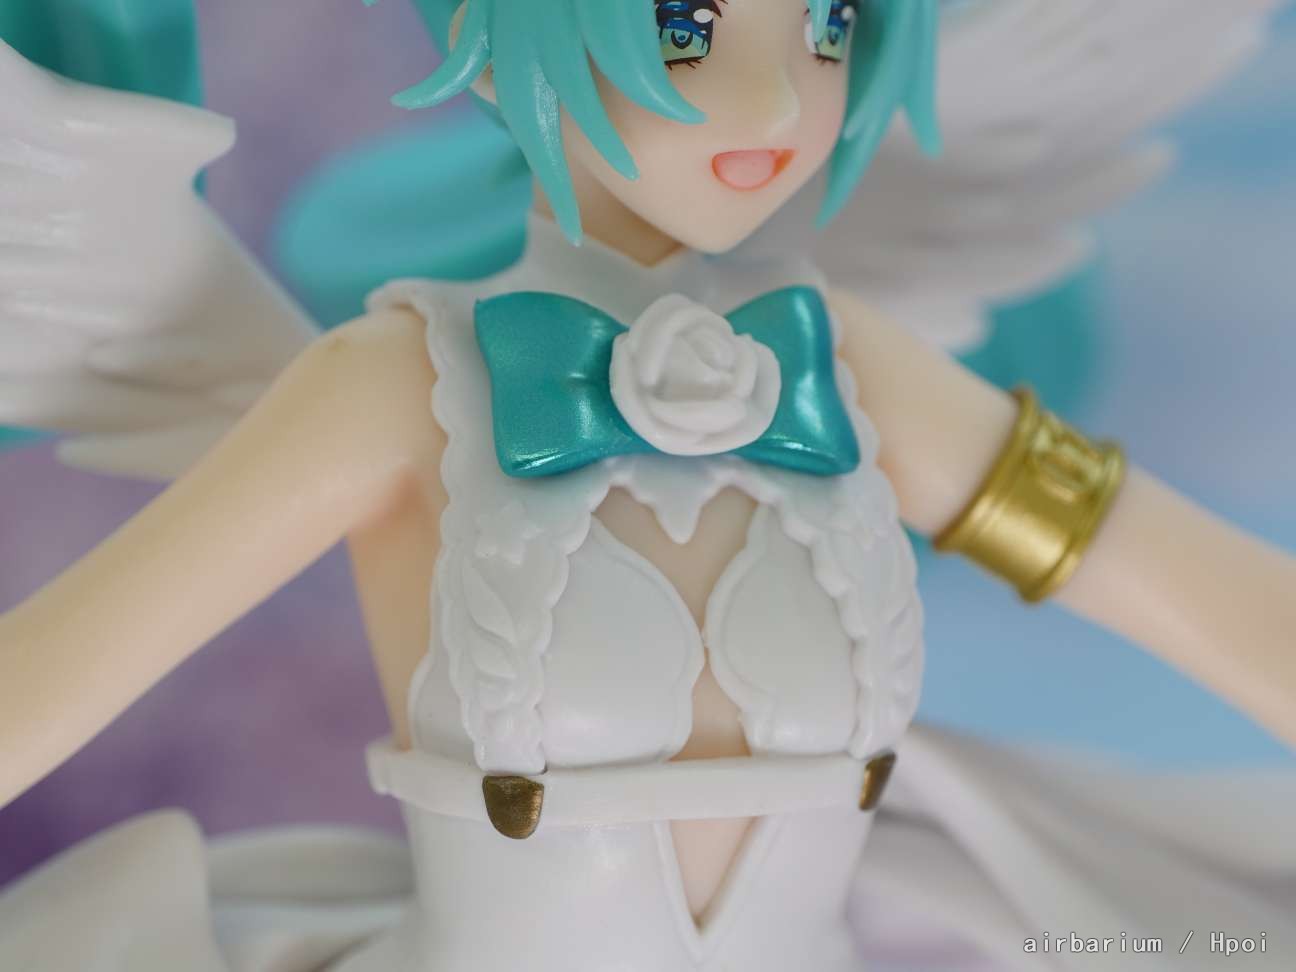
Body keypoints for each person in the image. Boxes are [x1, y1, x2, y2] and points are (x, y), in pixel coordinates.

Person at [1, 1, 1294, 969]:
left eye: (828, 26)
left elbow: (1155, 566)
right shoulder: (400, 388)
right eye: (686, 28)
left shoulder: (841, 370)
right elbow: (54, 677)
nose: (777, 103)